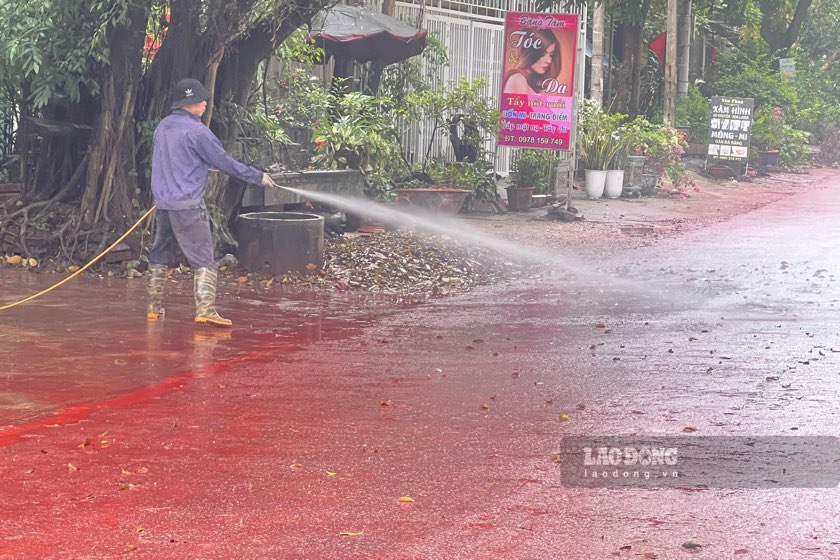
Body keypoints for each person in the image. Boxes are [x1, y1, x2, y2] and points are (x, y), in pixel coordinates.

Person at [147, 78, 275, 328]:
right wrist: (258, 176)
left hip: (163, 204)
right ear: (188, 103)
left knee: (160, 253)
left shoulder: (163, 126)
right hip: (188, 205)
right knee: (204, 258)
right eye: (200, 100)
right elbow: (224, 162)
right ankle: (205, 310)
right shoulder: (198, 132)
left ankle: (153, 308)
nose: (205, 103)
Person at [502, 29, 561, 95]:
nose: (549, 61)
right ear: (530, 52)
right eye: (543, 54)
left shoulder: (526, 81)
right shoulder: (518, 79)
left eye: (551, 55)